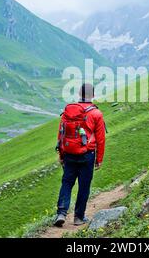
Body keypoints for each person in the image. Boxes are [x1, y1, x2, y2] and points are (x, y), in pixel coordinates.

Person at [54, 83, 106, 227]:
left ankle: (61, 213)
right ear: (93, 95)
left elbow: (61, 134)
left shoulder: (68, 112)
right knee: (84, 186)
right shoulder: (96, 113)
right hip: (87, 154)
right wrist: (99, 159)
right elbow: (100, 139)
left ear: (79, 93)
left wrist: (61, 155)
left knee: (67, 183)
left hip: (69, 153)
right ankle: (78, 217)